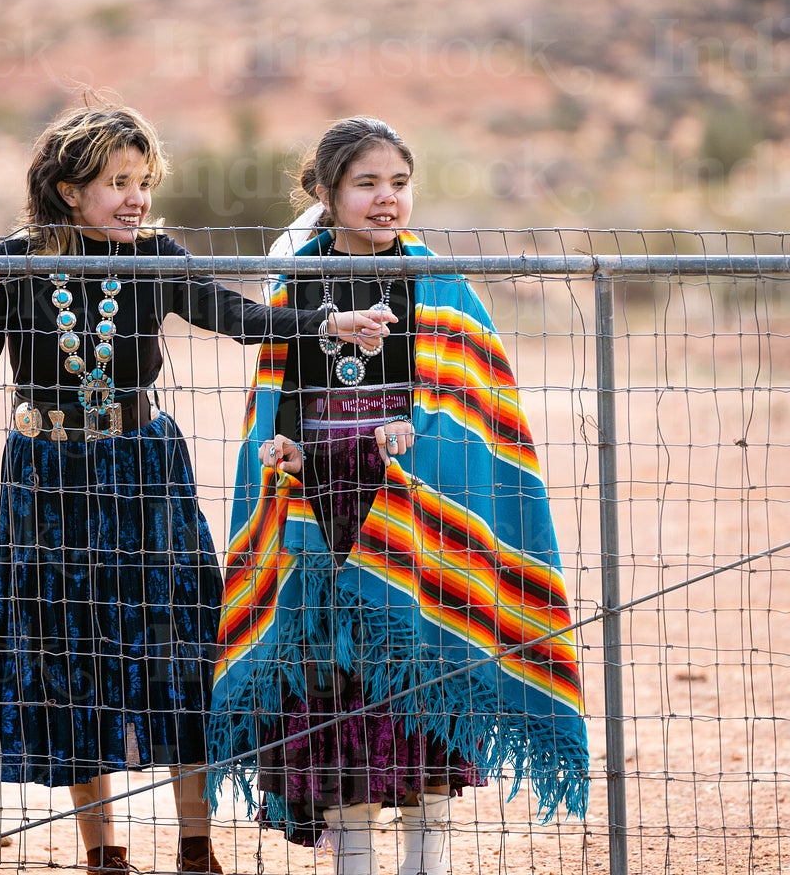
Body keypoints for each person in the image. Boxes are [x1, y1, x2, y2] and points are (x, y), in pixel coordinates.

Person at [0, 104, 395, 875]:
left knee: (177, 644)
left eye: (143, 182)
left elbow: (244, 319)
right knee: (70, 652)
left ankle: (194, 848)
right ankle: (104, 855)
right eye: (117, 182)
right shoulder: (14, 260)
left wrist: (330, 322)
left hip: (146, 472)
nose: (135, 198)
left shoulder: (156, 256)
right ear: (66, 187)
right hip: (47, 483)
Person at [207, 117, 589, 875]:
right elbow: (283, 388)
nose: (387, 200)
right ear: (324, 192)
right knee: (336, 711)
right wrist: (281, 444)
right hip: (321, 519)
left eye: (399, 184)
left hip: (422, 522)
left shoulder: (438, 283)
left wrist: (423, 436)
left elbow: (473, 408)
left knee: (425, 714)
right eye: (367, 184)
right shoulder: (300, 280)